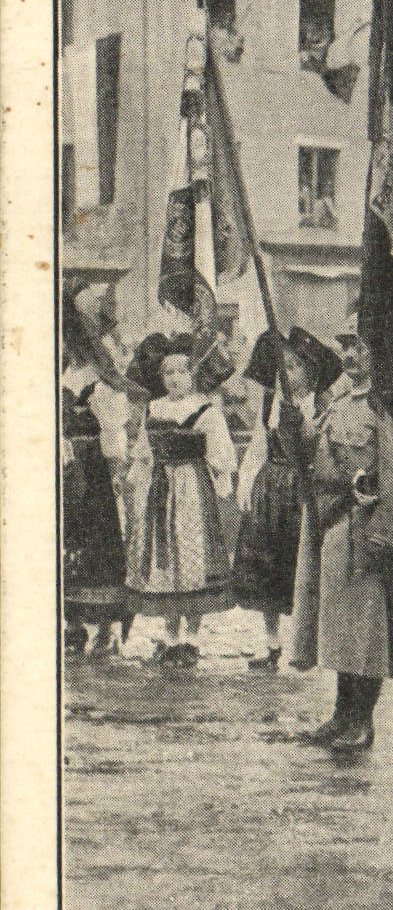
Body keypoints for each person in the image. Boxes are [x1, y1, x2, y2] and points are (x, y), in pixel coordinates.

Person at [289, 335, 393, 753]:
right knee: (341, 628)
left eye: (360, 347)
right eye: (345, 347)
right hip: (332, 522)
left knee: (367, 631)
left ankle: (363, 719)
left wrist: (383, 530)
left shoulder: (387, 406)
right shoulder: (338, 403)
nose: (349, 355)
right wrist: (297, 427)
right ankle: (342, 713)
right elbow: (316, 454)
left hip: (362, 527)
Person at [231, 327, 342, 670]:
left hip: (303, 488)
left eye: (293, 367)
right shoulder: (271, 404)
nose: (286, 375)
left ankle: (306, 641)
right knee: (267, 562)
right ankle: (270, 641)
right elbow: (258, 447)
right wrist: (247, 484)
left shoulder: (321, 406)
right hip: (272, 487)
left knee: (302, 564)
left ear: (310, 373)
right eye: (282, 368)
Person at [124, 333, 237, 666]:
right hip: (161, 487)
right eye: (168, 374)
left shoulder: (205, 410)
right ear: (162, 379)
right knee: (166, 559)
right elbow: (144, 453)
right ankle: (171, 636)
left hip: (192, 488)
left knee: (191, 556)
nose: (175, 379)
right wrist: (135, 483)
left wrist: (222, 481)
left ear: (192, 375)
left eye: (181, 372)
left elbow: (220, 450)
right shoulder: (154, 408)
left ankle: (191, 636)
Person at [61, 283, 136, 659]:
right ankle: (71, 622)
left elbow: (113, 428)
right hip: (65, 466)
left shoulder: (100, 377)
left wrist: (117, 469)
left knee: (100, 542)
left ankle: (105, 625)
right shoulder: (64, 372)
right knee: (69, 541)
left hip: (92, 471)